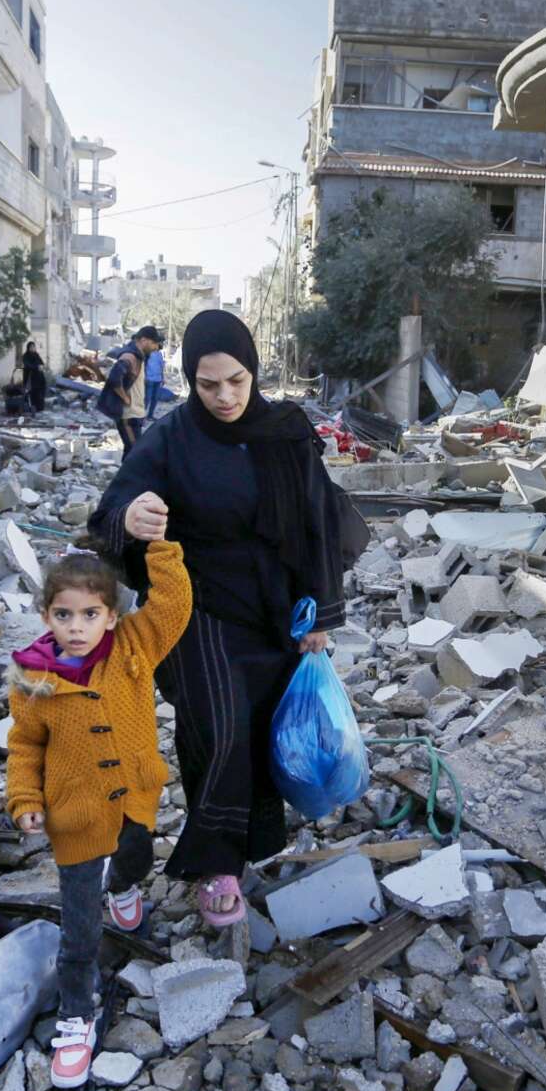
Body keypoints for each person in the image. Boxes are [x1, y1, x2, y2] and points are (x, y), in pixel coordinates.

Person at [90, 309, 348, 929]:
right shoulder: (170, 439)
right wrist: (131, 518)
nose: (226, 397)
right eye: (208, 385)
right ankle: (217, 865)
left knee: (259, 727)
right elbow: (110, 511)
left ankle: (249, 842)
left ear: (253, 371)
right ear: (189, 380)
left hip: (274, 608)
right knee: (219, 726)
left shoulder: (284, 432)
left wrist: (320, 612)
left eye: (237, 381)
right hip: (195, 606)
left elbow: (319, 521)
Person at [5, 537, 190, 1088]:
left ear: (111, 616)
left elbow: (174, 605)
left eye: (90, 614)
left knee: (136, 858)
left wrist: (159, 545)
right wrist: (26, 799)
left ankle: (124, 887)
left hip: (134, 797)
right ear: (46, 616)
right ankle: (76, 1017)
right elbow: (24, 747)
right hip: (76, 818)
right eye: (64, 615)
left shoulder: (133, 648)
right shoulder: (33, 680)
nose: (77, 627)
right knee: (80, 928)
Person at [96, 325, 162, 452]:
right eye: (154, 343)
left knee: (132, 451)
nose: (156, 347)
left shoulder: (139, 356)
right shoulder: (129, 357)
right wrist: (125, 398)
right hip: (128, 415)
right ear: (143, 340)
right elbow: (114, 379)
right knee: (134, 451)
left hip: (136, 413)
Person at [21, 340, 47, 413]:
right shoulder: (25, 356)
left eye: (34, 347)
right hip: (31, 377)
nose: (33, 348)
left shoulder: (36, 355)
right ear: (28, 348)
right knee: (33, 393)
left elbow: (42, 363)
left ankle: (40, 408)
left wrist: (41, 366)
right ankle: (33, 408)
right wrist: (37, 367)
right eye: (31, 347)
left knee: (41, 392)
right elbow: (28, 365)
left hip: (39, 377)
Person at [144, 344, 166, 420]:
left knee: (155, 399)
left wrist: (163, 378)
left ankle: (150, 415)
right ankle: (141, 417)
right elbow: (143, 366)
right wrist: (144, 377)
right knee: (147, 399)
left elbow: (161, 366)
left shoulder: (159, 354)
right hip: (149, 379)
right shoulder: (147, 353)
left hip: (158, 379)